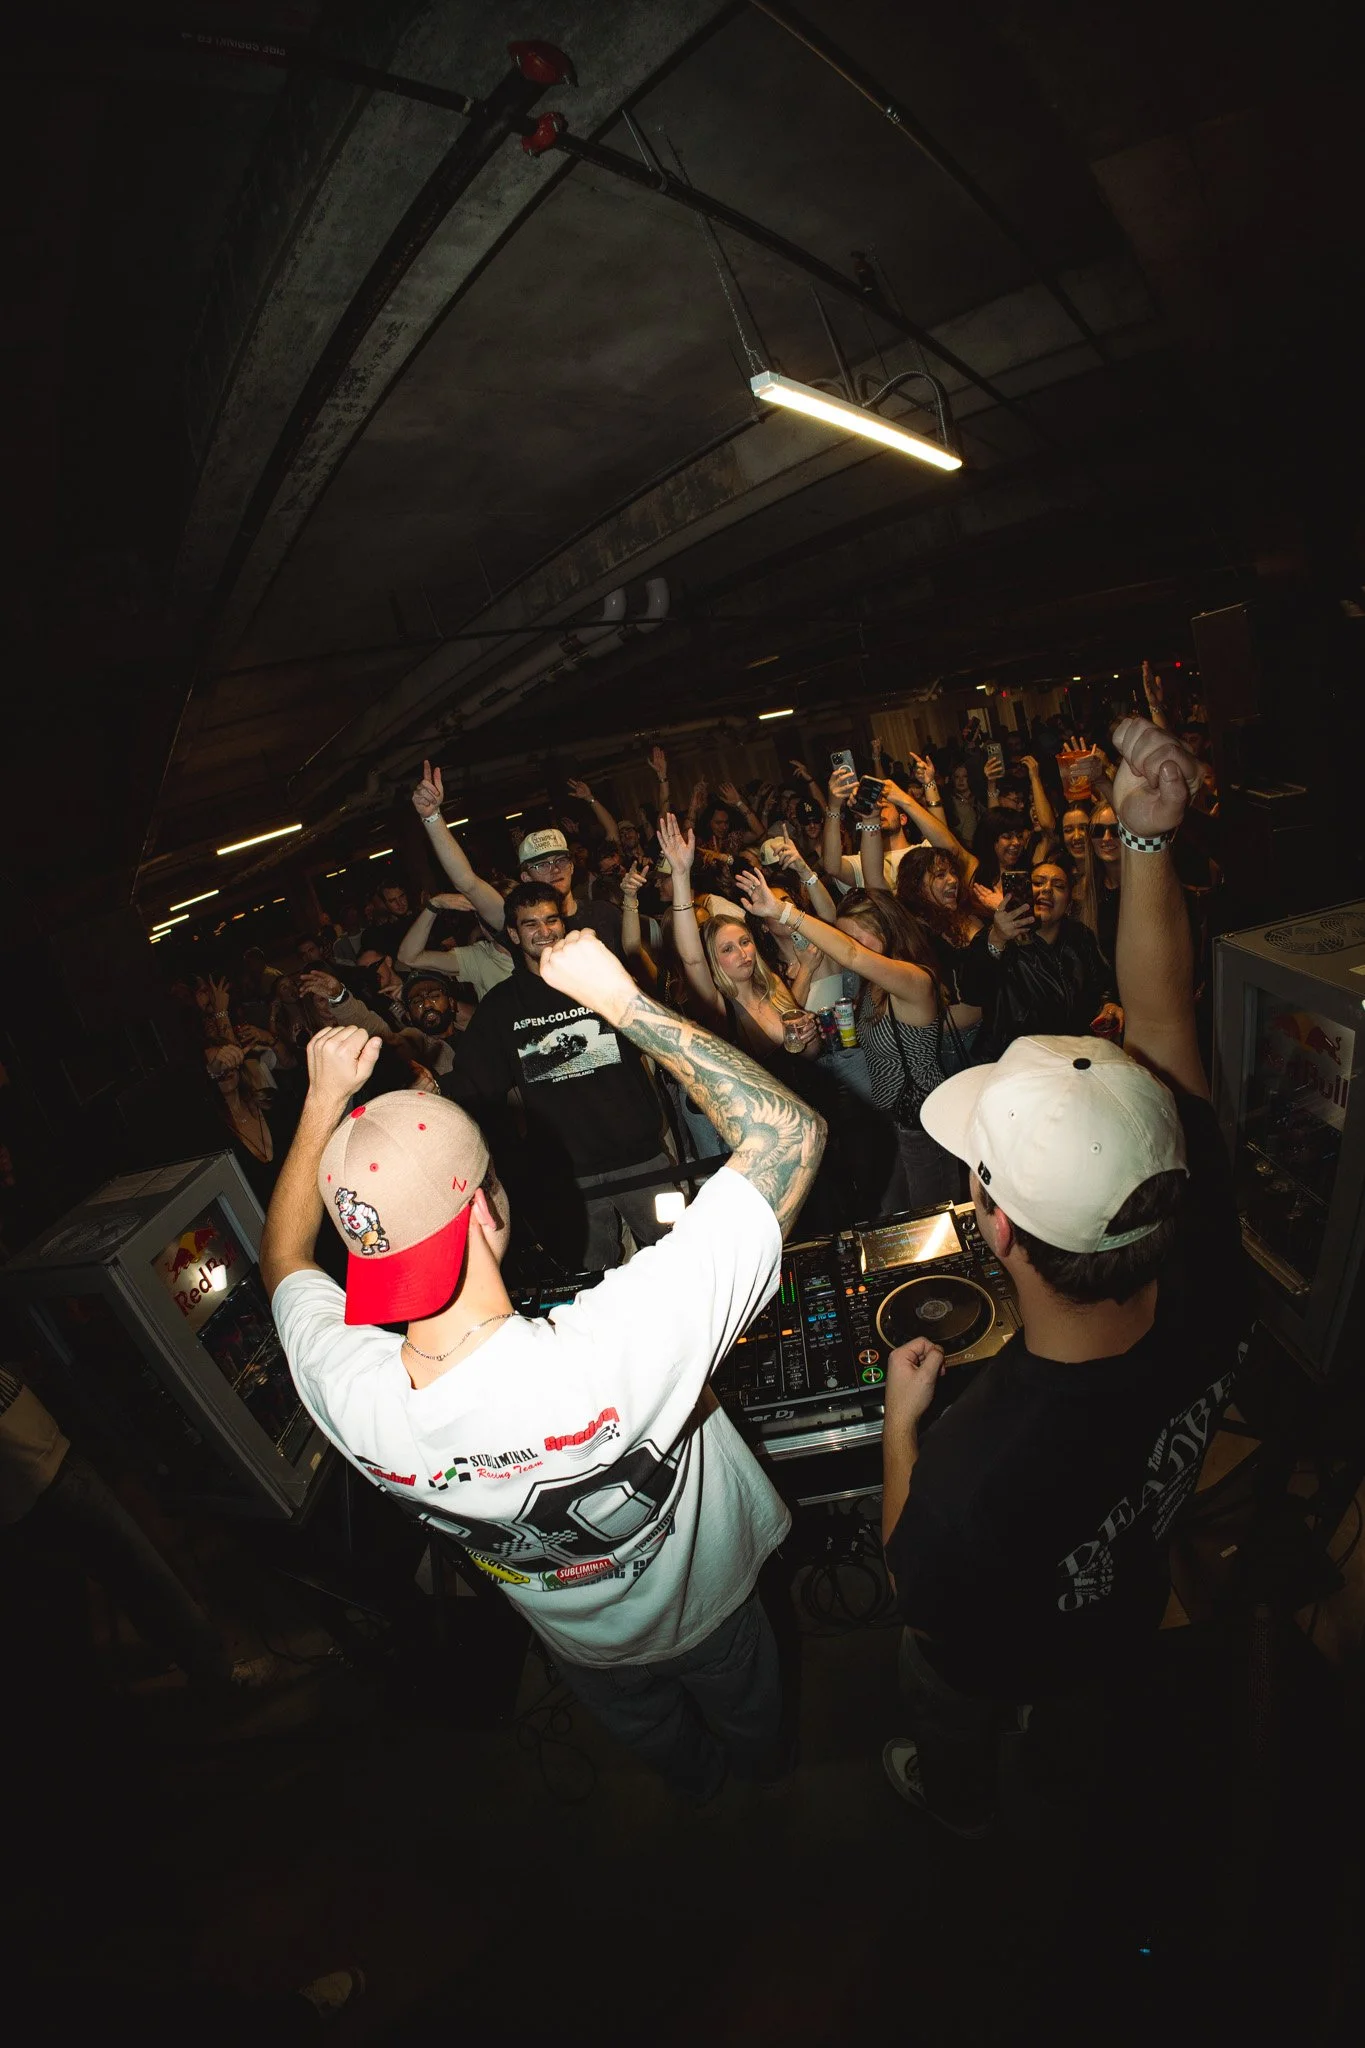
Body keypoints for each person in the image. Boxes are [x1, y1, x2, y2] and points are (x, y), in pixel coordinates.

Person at [262, 935, 827, 1803]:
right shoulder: (619, 1341)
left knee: (663, 1745)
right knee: (752, 1717)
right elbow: (790, 1132)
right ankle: (766, 1785)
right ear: (487, 1207)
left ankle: (712, 1800)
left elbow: (283, 1261)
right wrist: (622, 1002)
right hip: (707, 1613)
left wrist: (318, 1107)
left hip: (577, 1648)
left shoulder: (345, 1387)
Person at [879, 713, 1243, 1837]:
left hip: (999, 1654)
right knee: (1093, 1695)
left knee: (953, 1707)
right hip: (1123, 1603)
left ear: (993, 1225)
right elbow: (1169, 1010)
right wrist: (1145, 844)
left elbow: (917, 1595)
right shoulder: (1211, 1265)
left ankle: (959, 1786)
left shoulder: (965, 1471)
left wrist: (902, 1422)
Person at [442, 883, 679, 1270]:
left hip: (640, 1158)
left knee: (679, 1265)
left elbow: (657, 1034)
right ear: (514, 935)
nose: (544, 930)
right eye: (530, 923)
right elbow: (475, 1083)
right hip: (571, 1177)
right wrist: (430, 1090)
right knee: (588, 1282)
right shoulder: (502, 1005)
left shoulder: (602, 978)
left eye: (551, 919)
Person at [736, 872, 968, 1215]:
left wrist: (783, 911)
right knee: (893, 1220)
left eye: (854, 939)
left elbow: (851, 955)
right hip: (890, 1129)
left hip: (921, 1123)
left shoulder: (914, 979)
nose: (847, 948)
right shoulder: (868, 986)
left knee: (931, 1222)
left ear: (884, 931)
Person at [411, 760, 625, 959]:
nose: (554, 870)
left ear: (571, 866)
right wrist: (432, 817)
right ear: (525, 876)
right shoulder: (520, 924)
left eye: (560, 861)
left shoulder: (604, 913)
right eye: (541, 865)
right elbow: (467, 882)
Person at [658, 815, 820, 1072]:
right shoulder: (718, 1007)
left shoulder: (773, 986)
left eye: (745, 941)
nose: (743, 952)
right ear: (712, 959)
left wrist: (809, 1036)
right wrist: (680, 875)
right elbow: (692, 958)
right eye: (727, 949)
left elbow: (808, 1057)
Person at [961, 855, 1122, 1060]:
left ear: (1069, 903)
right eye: (1037, 883)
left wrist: (1109, 1004)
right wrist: (997, 939)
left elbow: (1102, 984)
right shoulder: (997, 936)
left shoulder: (1080, 937)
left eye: (1058, 886)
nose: (1046, 889)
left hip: (1072, 1057)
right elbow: (972, 992)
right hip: (1012, 1061)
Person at [395, 892, 513, 999]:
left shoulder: (530, 948)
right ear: (479, 921)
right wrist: (434, 905)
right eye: (489, 915)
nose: (498, 922)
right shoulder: (479, 957)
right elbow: (409, 957)